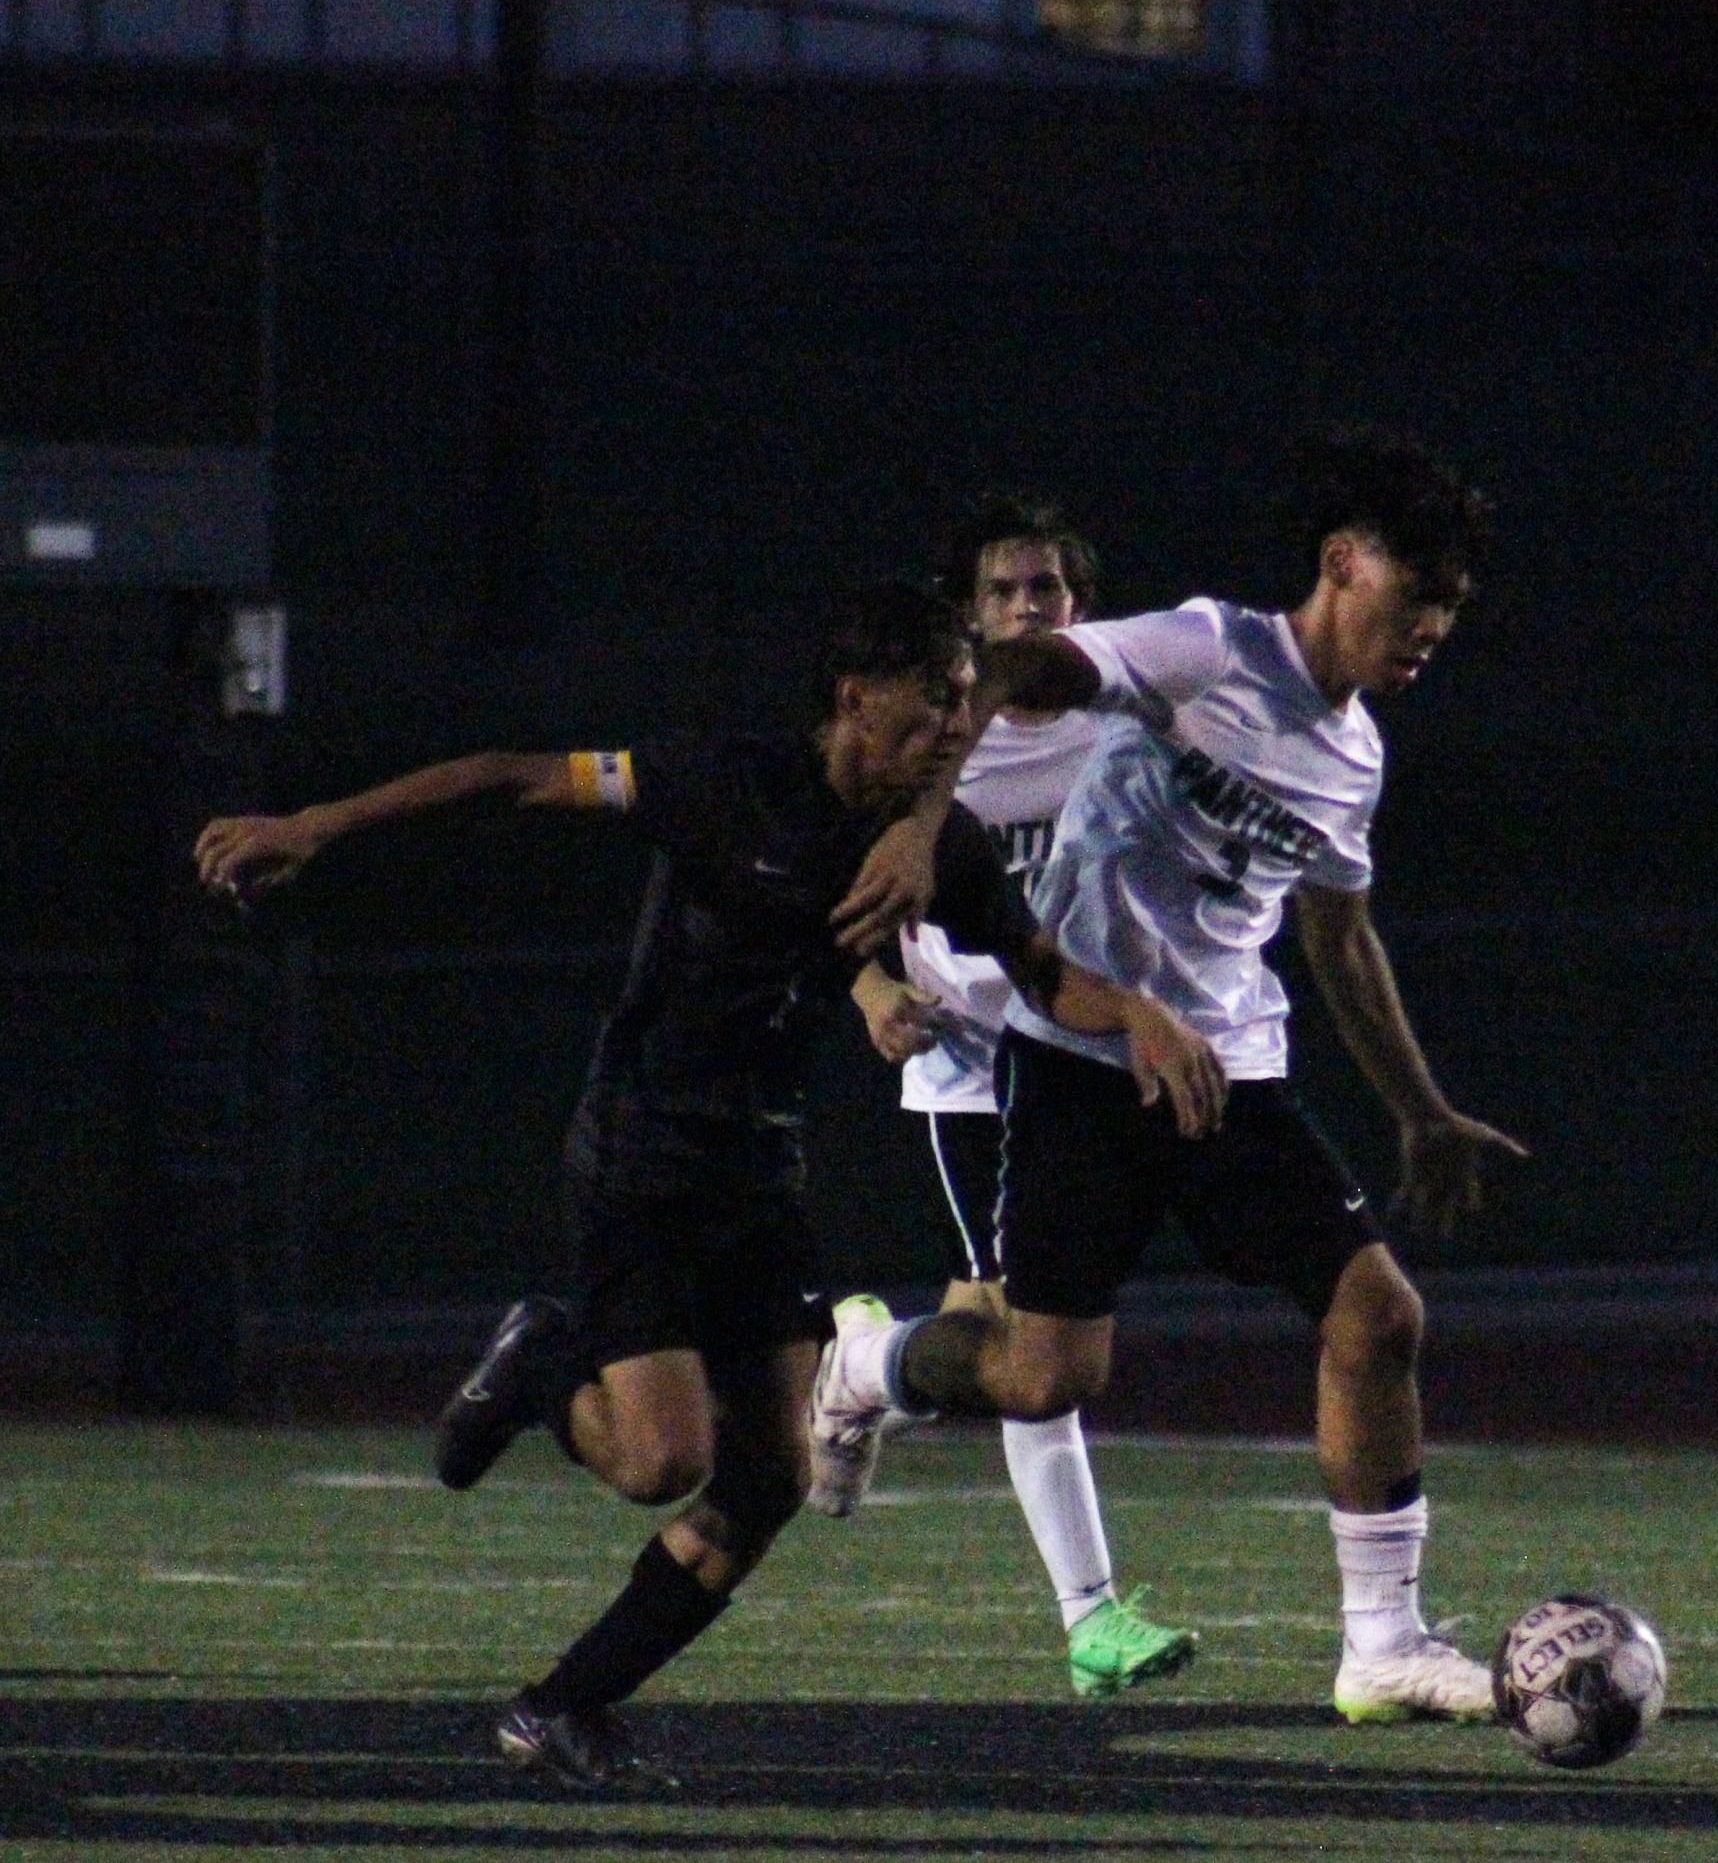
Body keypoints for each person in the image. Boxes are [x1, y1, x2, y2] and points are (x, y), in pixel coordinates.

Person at [192, 580, 1225, 1788]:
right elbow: (508, 775)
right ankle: (544, 1367)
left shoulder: (933, 844)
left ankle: (561, 1706)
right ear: (854, 697)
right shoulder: (717, 784)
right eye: (936, 700)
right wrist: (313, 823)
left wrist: (1141, 1015)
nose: (959, 726)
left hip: (760, 1169)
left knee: (774, 1481)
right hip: (643, 1152)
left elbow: (1045, 975)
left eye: (965, 701)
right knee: (658, 1465)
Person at [810, 427, 1529, 1724]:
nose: (1429, 631)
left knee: (1380, 1316)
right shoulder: (1210, 648)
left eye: (1450, 612)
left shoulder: (1351, 747)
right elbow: (1020, 661)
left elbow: (1339, 934)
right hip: (1079, 1062)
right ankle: (869, 1366)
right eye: (1414, 598)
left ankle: (1382, 1640)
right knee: (1042, 1376)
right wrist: (921, 823)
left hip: (1230, 1077)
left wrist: (1417, 1106)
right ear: (1340, 564)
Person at [838, 498, 1195, 1699]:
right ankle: (1091, 1617)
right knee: (1031, 1348)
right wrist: (874, 988)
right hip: (973, 1067)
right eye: (1006, 592)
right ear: (971, 615)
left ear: (1081, 609)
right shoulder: (944, 750)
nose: (1031, 608)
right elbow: (834, 883)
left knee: (987, 1345)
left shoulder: (1127, 726)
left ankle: (861, 1370)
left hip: (1086, 1059)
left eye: (1050, 588)